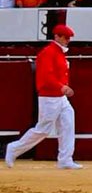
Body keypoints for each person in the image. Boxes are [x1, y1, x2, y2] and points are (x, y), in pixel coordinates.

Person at [5, 24, 81, 170]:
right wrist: (61, 86)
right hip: (49, 97)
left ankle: (65, 159)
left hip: (59, 96)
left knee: (68, 123)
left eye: (69, 38)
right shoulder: (48, 53)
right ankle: (14, 149)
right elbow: (46, 77)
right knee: (43, 129)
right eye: (65, 37)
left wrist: (61, 88)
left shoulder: (58, 52)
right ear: (56, 37)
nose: (68, 40)